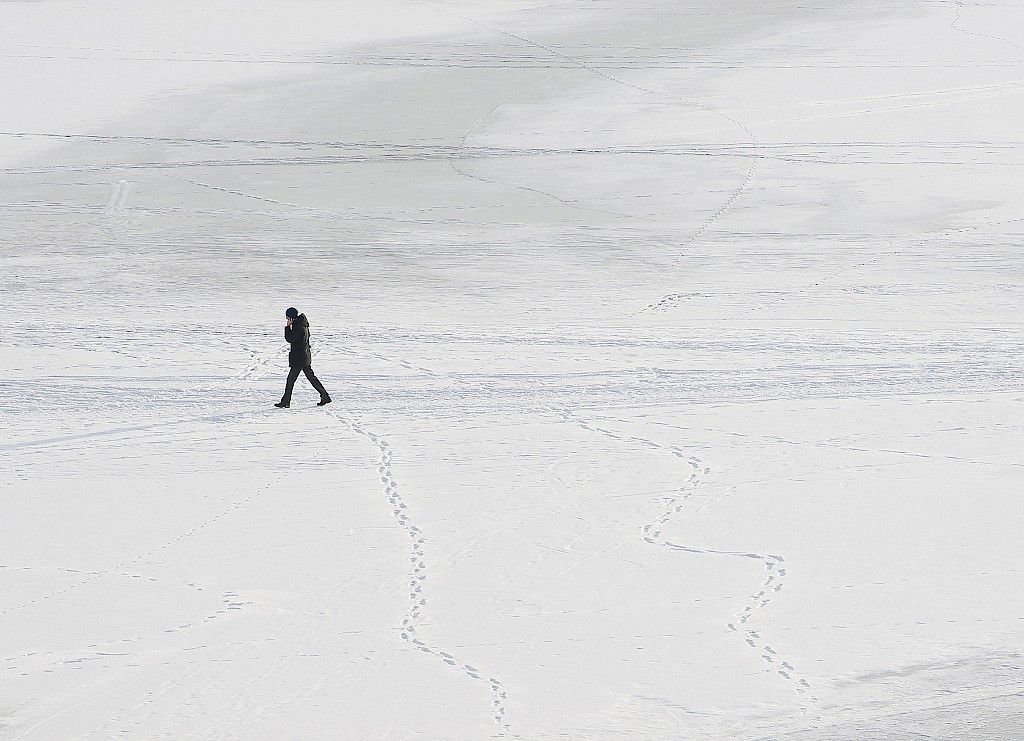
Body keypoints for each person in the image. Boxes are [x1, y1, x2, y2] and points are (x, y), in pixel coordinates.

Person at [275, 307, 332, 408]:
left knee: (291, 380)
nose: (287, 320)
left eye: (288, 318)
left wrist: (288, 328)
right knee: (311, 378)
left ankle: (285, 402)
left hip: (299, 358)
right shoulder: (303, 324)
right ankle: (325, 396)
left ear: (291, 318)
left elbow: (290, 339)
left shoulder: (298, 327)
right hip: (304, 357)